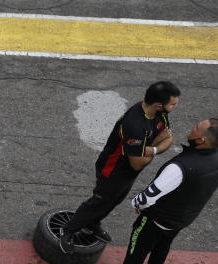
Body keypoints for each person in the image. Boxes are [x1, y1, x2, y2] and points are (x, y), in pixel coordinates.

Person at [96, 118, 218, 264]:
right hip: (182, 219)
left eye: (197, 128)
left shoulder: (180, 168)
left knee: (137, 249)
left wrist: (136, 204)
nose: (193, 127)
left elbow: (149, 195)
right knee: (162, 246)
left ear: (202, 140)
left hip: (157, 218)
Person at [59, 81, 180, 253]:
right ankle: (69, 229)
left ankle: (92, 223)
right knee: (98, 202)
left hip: (127, 173)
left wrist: (150, 148)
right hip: (112, 171)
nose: (175, 107)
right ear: (159, 105)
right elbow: (138, 163)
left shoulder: (160, 114)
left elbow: (167, 137)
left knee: (115, 200)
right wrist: (156, 146)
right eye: (173, 104)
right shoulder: (135, 125)